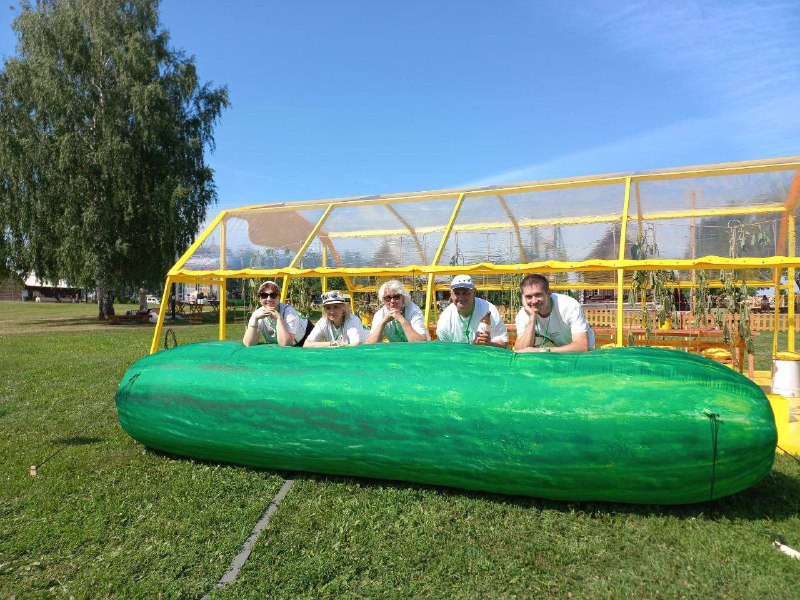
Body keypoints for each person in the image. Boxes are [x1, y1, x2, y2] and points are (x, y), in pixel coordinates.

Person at [513, 273, 594, 353]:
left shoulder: (569, 306)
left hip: (583, 351)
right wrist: (532, 318)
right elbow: (520, 350)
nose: (534, 301)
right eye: (528, 297)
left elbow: (582, 346)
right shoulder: (523, 315)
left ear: (548, 293)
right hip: (556, 348)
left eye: (538, 295)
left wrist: (542, 350)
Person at [435, 275, 508, 348]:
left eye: (465, 293)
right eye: (457, 293)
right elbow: (444, 350)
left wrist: (488, 344)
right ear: (451, 294)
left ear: (474, 292)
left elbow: (504, 344)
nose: (461, 298)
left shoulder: (489, 310)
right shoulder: (445, 319)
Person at [243, 281, 313, 347]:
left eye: (273, 295)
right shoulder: (257, 314)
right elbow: (248, 343)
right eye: (264, 295)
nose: (269, 299)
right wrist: (254, 319)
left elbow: (286, 344)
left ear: (279, 297)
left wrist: (279, 319)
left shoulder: (289, 312)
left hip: (307, 335)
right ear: (260, 299)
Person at [304, 290, 369, 347]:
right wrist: (330, 343)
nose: (332, 312)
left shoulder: (352, 320)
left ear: (343, 309)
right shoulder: (323, 322)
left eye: (336, 307)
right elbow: (307, 344)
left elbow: (356, 345)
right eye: (328, 308)